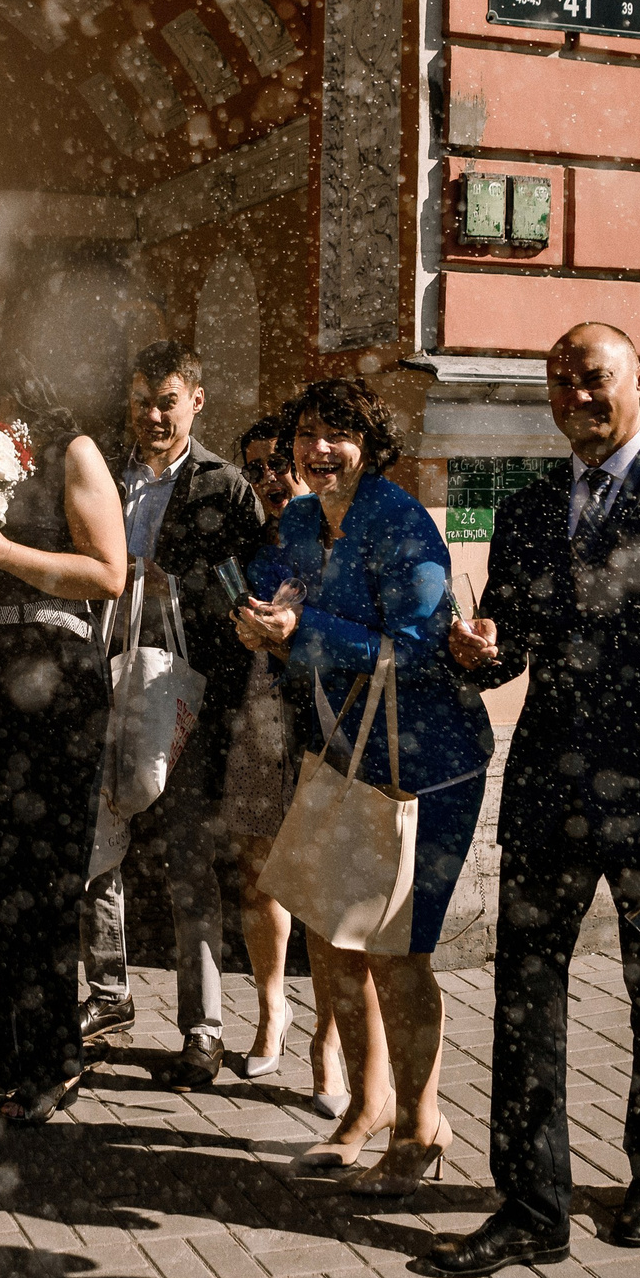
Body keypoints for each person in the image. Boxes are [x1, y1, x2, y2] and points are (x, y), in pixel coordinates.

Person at [432, 322, 640, 1276]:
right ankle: (532, 1202)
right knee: (524, 994)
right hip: (550, 791)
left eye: (593, 379)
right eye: (560, 382)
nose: (576, 396)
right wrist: (483, 649)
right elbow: (519, 636)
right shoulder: (533, 507)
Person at [235, 378, 492, 1180]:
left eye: (338, 434)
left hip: (427, 764)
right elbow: (287, 588)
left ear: (371, 445)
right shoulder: (305, 518)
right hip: (343, 754)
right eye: (308, 433)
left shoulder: (401, 521)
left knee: (397, 951)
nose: (319, 450)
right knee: (329, 938)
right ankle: (364, 1105)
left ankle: (421, 1128)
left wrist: (304, 628)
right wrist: (265, 613)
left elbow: (417, 648)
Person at [0, 357, 129, 1127]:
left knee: (46, 879)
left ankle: (52, 1059)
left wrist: (0, 553)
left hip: (62, 681)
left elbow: (110, 572)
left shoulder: (72, 453)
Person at [82, 342, 265, 1087]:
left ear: (197, 399)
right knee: (98, 846)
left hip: (184, 694)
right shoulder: (102, 472)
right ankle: (106, 993)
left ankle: (203, 1027)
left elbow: (252, 590)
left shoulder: (225, 486)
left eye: (167, 400)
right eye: (140, 400)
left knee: (191, 860)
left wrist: (177, 587)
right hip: (101, 680)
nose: (152, 415)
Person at [220, 410, 348, 1118]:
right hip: (263, 711)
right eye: (257, 468)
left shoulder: (337, 537)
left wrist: (296, 637)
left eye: (279, 462)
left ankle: (328, 1043)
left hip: (329, 720)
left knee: (325, 889)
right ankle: (272, 1008)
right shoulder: (253, 545)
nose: (271, 477)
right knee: (259, 869)